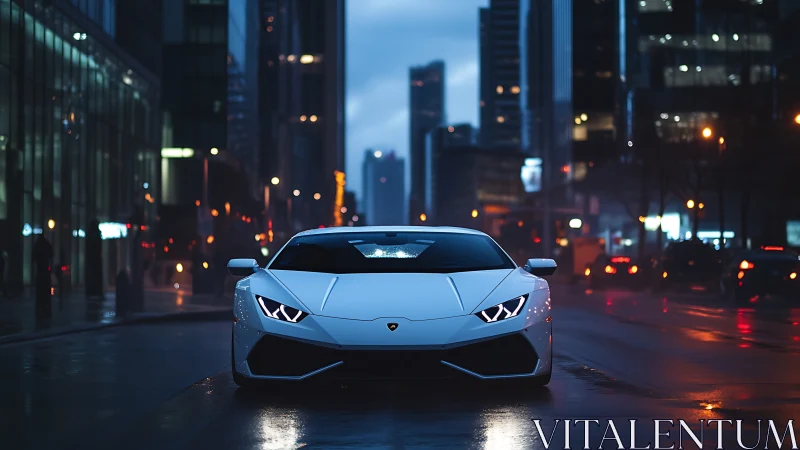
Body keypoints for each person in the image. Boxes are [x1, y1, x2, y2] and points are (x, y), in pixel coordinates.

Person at [33, 235, 53, 317]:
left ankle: (41, 306)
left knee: (40, 290)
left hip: (40, 269)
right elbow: (51, 254)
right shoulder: (46, 244)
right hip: (45, 269)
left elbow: (33, 257)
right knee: (45, 289)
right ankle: (46, 306)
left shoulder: (37, 245)